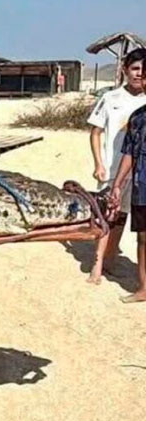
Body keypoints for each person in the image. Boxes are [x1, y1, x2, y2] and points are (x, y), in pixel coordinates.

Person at [86, 48, 146, 284]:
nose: (139, 74)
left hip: (139, 172)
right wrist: (98, 163)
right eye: (134, 69)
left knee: (122, 216)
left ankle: (110, 259)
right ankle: (97, 264)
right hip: (112, 167)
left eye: (143, 69)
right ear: (125, 70)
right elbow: (96, 132)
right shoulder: (111, 98)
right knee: (106, 215)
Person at [109, 103, 146, 302]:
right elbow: (129, 153)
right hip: (142, 186)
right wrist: (117, 184)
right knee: (143, 238)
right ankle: (143, 288)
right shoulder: (137, 117)